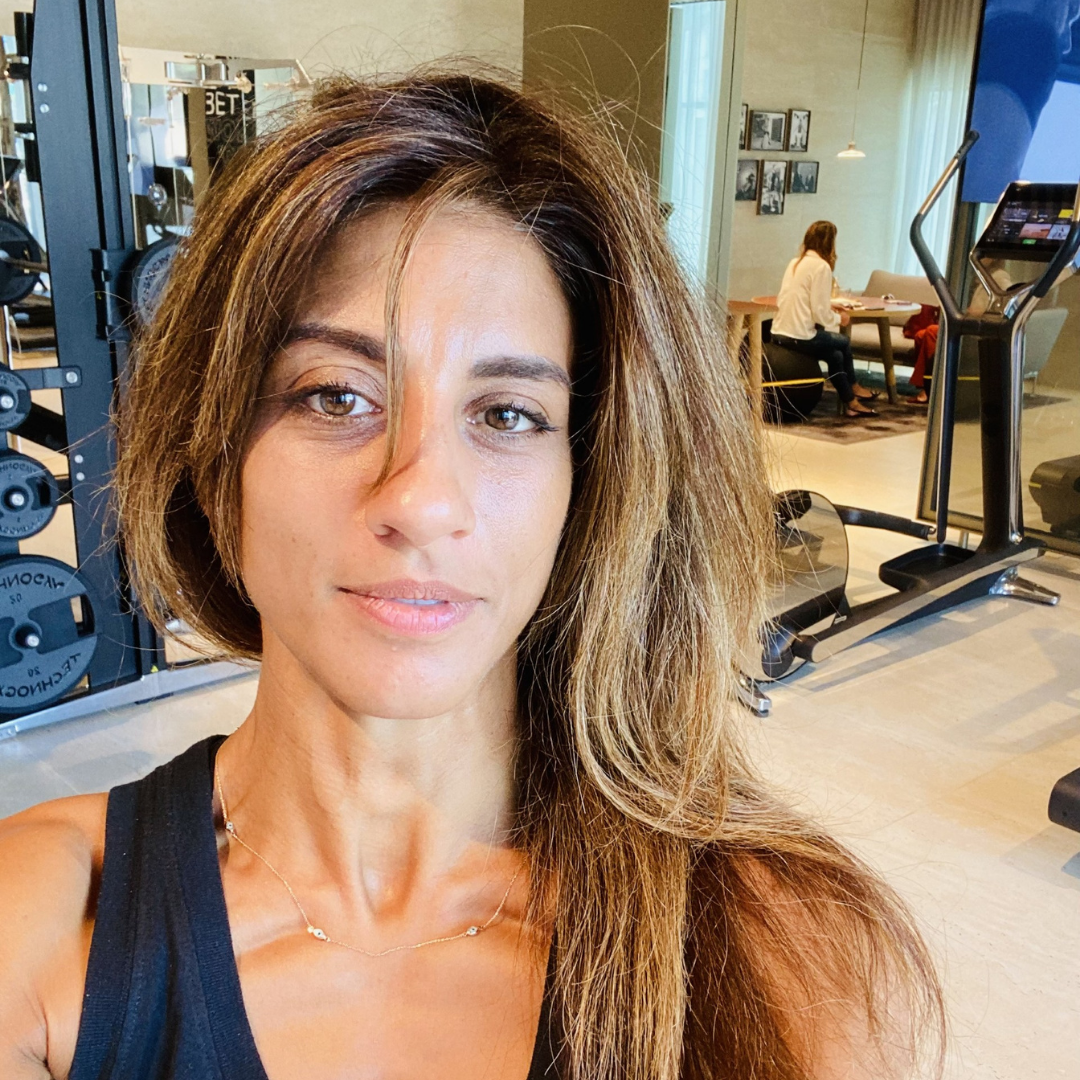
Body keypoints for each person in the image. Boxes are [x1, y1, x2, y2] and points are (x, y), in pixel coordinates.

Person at [0, 73, 943, 1079]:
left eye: (507, 415)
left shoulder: (782, 949)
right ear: (214, 450)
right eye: (335, 396)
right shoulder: (46, 920)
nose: (421, 499)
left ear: (593, 488)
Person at [771, 221, 879, 418]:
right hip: (800, 335)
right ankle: (854, 386)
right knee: (843, 342)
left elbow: (800, 299)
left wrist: (828, 306)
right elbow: (819, 313)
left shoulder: (795, 263)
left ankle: (851, 404)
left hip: (780, 331)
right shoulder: (821, 267)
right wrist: (840, 318)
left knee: (835, 356)